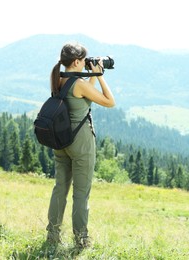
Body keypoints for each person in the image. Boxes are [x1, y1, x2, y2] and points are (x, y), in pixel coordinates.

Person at [46, 42, 115, 248]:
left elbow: (81, 96)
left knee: (60, 188)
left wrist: (90, 77)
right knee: (81, 193)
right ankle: (81, 239)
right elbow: (110, 101)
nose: (86, 63)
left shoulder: (58, 78)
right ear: (76, 61)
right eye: (84, 60)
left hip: (61, 140)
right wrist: (100, 76)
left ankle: (52, 235)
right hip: (81, 142)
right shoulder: (80, 84)